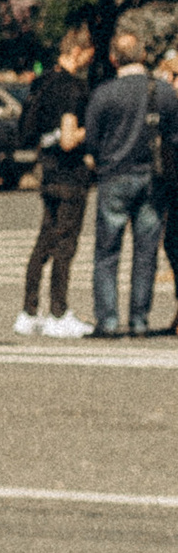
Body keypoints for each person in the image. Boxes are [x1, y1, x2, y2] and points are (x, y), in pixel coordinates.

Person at [86, 25, 176, 338]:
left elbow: (93, 142)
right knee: (146, 253)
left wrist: (104, 158)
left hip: (114, 175)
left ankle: (108, 321)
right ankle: (139, 320)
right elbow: (173, 136)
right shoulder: (163, 92)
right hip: (153, 177)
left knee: (107, 253)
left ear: (113, 59)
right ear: (144, 55)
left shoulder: (104, 93)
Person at [15, 25, 94, 337]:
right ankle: (58, 312)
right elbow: (68, 138)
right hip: (70, 174)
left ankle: (28, 310)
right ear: (77, 51)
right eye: (88, 54)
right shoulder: (73, 88)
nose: (89, 60)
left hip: (46, 171)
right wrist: (94, 128)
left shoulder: (43, 82)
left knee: (43, 241)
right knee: (65, 245)